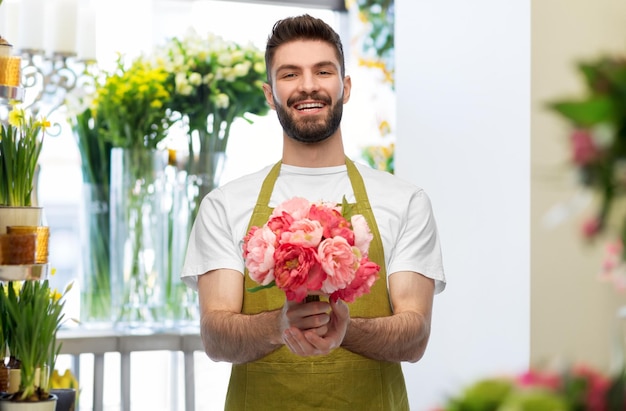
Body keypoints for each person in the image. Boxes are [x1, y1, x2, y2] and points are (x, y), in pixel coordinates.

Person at [181, 14, 446, 410]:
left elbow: (415, 337)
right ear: (269, 94)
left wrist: (345, 329)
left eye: (323, 71)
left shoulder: (405, 201)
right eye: (289, 74)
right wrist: (280, 324)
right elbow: (216, 338)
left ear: (346, 86)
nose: (308, 85)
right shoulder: (225, 205)